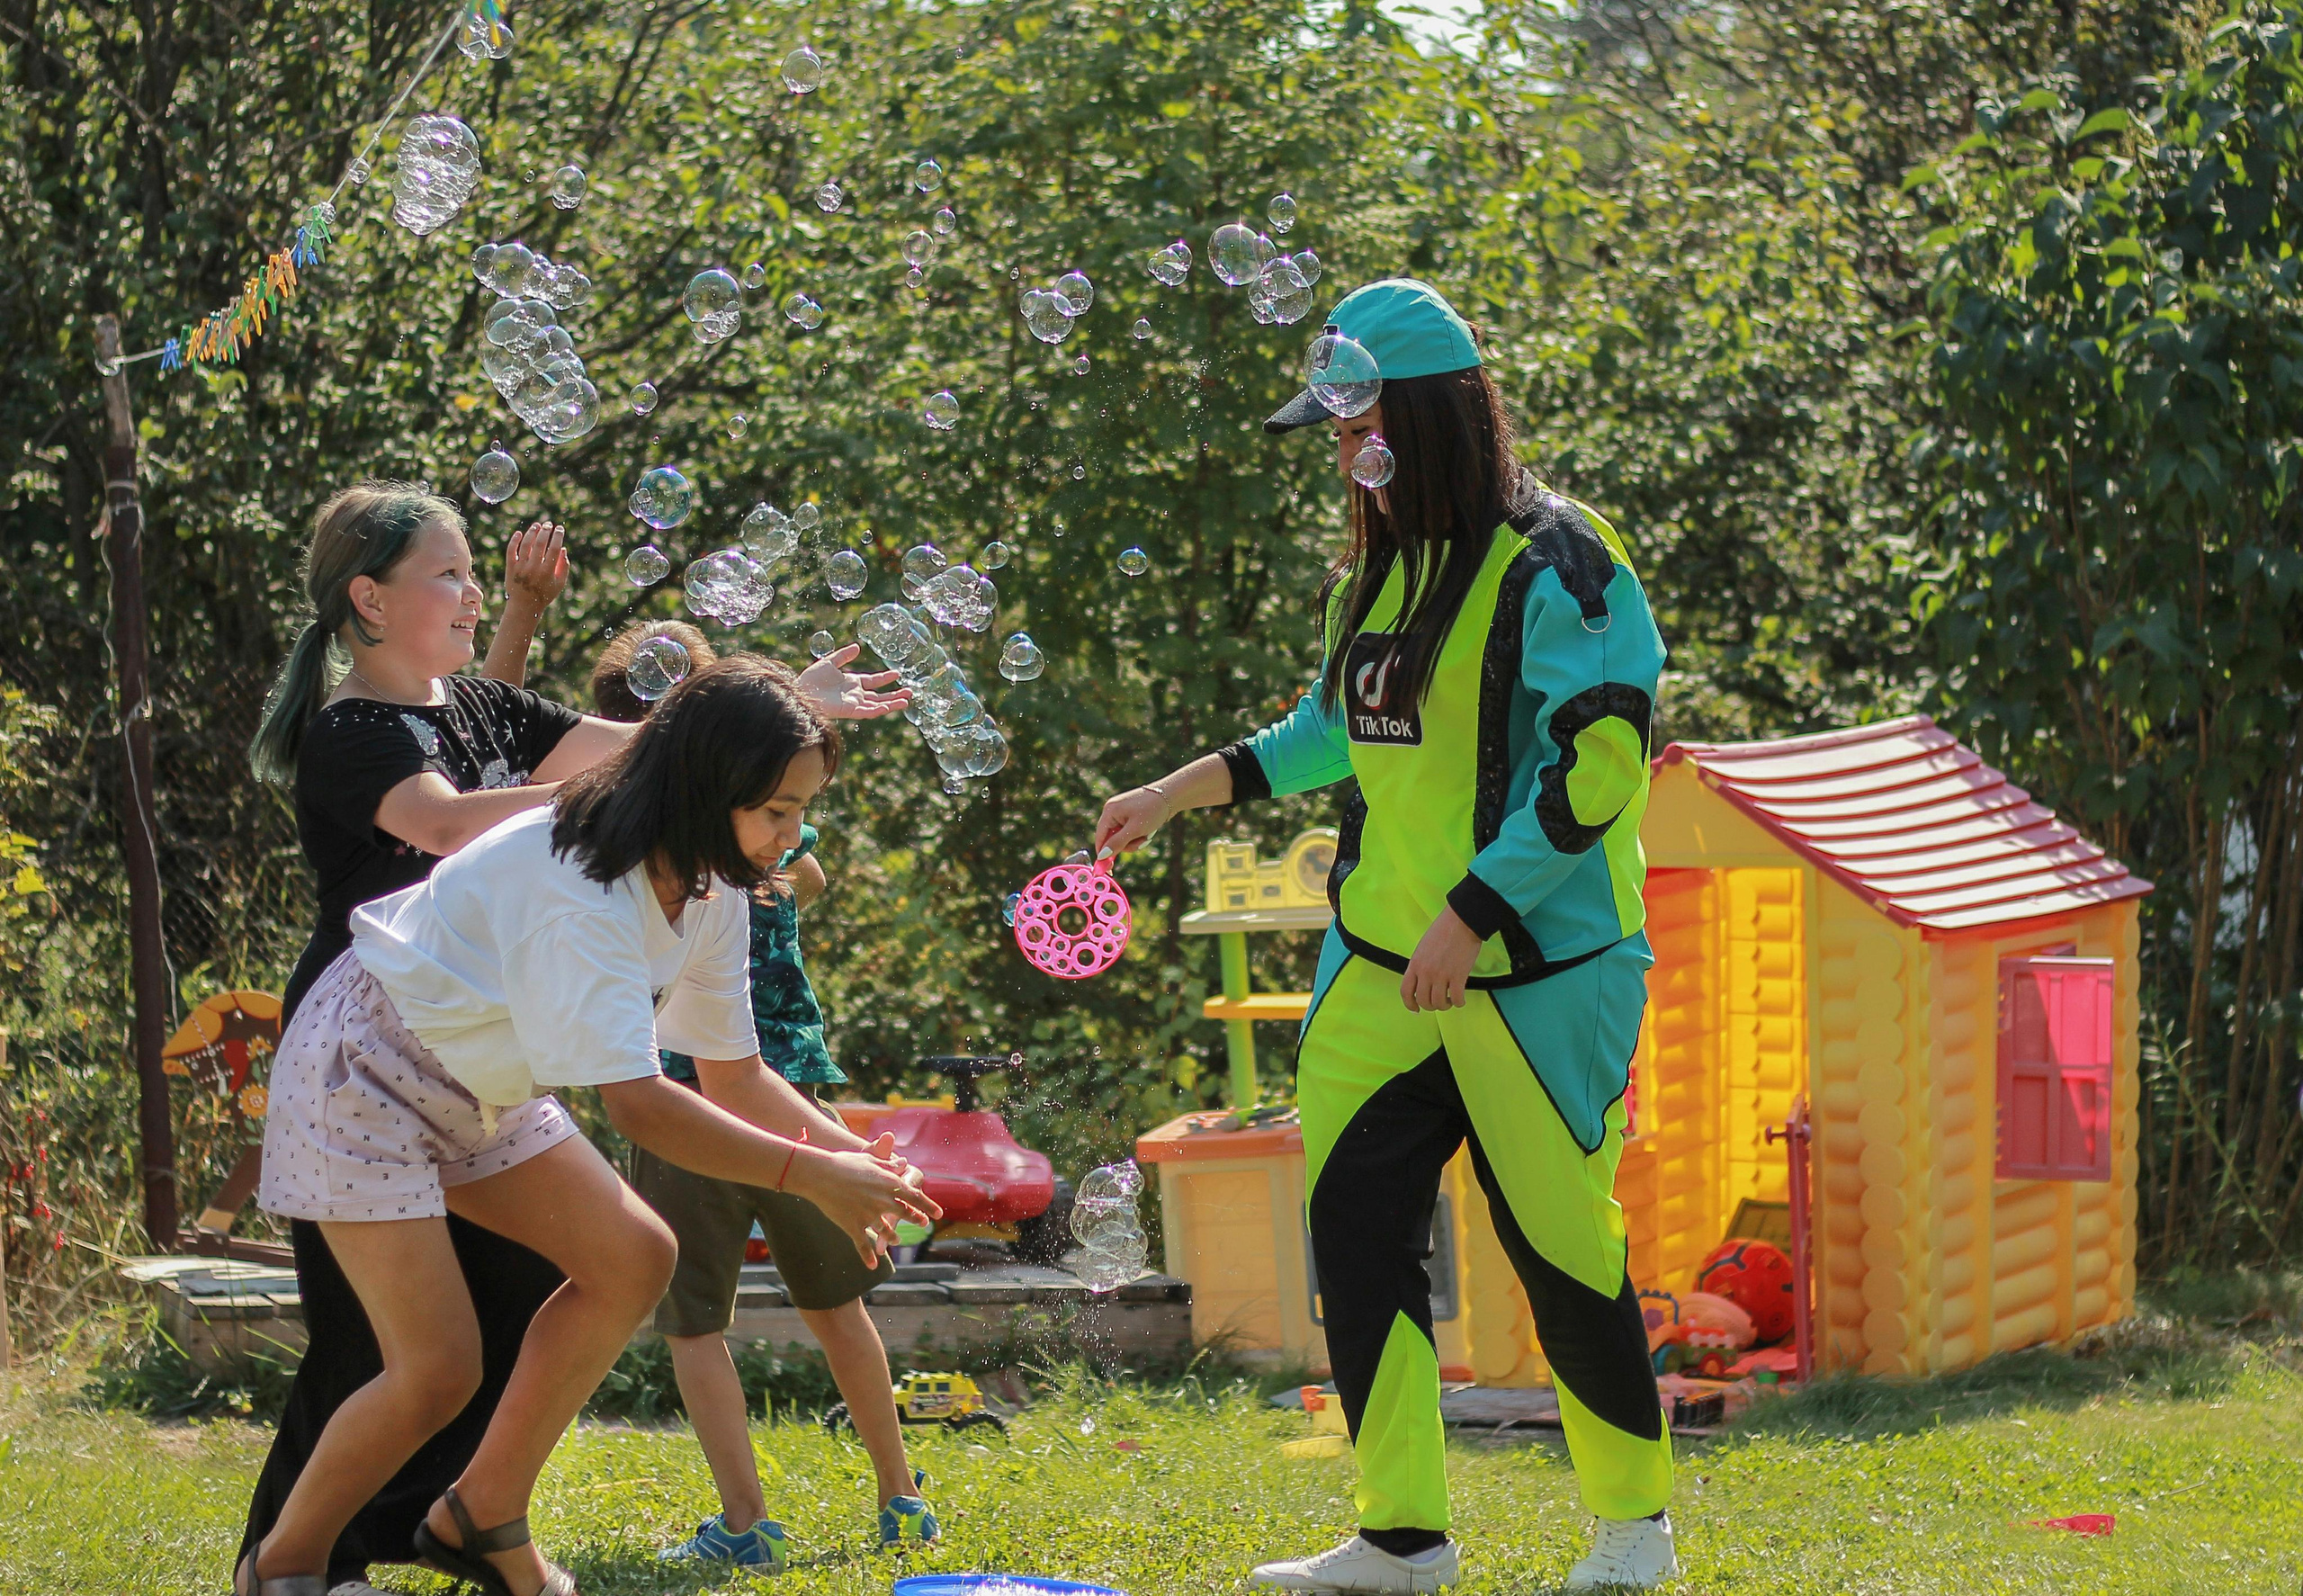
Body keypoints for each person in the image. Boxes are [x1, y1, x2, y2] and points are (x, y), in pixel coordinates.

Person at [1093, 281, 1678, 1593]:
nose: (1345, 458)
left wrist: (1473, 915)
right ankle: (1402, 1537)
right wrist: (1175, 788)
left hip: (1538, 976)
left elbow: (1598, 766)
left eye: (1357, 424)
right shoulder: (1375, 573)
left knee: (1562, 1250)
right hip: (1375, 971)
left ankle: (1634, 1529)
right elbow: (1325, 734)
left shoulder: (1564, 561)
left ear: (1420, 416)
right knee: (1355, 1244)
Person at [241, 484, 908, 1594]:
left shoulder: (716, 878)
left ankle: (479, 1517)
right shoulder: (574, 871)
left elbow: (735, 1071)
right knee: (429, 1361)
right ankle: (290, 1567)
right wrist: (812, 1174)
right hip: (369, 1065)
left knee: (629, 1255)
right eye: (780, 812)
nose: (796, 842)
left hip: (483, 1062)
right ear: (365, 599)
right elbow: (640, 1102)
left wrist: (844, 1156)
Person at [589, 622, 936, 1570]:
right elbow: (807, 873)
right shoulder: (739, 852)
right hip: (773, 1086)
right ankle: (902, 1498)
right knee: (837, 1307)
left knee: (696, 1322)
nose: (784, 832)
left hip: (694, 1099)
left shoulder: (704, 859)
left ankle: (749, 1523)